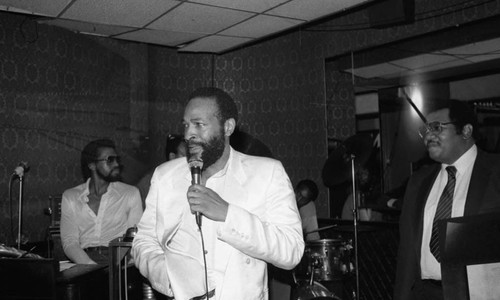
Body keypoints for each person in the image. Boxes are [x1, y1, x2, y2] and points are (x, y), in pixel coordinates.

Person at [132, 87, 304, 300]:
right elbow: (144, 241)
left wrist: (227, 214)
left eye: (199, 124)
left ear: (228, 127)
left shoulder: (267, 173)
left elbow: (291, 251)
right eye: (186, 125)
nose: (188, 134)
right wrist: (169, 279)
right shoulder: (165, 176)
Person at [393, 99, 500, 300]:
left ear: (466, 131)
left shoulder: (495, 173)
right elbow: (407, 250)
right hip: (424, 293)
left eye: (437, 128)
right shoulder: (418, 181)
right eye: (425, 130)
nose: (428, 136)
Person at [60, 139, 143, 264]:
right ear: (92, 165)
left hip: (117, 262)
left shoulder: (130, 193)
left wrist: (115, 267)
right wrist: (90, 267)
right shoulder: (70, 197)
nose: (116, 164)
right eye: (110, 160)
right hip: (83, 263)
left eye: (117, 159)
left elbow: (134, 239)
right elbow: (69, 242)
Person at [136, 134, 187, 206]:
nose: (189, 161)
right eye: (185, 157)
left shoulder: (191, 179)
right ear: (172, 156)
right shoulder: (150, 181)